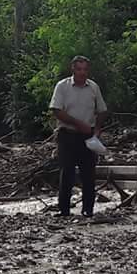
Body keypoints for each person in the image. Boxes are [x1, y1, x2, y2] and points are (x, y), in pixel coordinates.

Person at [50, 55, 109, 218]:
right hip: (67, 135)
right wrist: (77, 123)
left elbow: (102, 110)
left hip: (88, 136)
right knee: (66, 172)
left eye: (85, 69)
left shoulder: (93, 87)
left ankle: (88, 210)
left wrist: (97, 129)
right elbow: (56, 110)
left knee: (88, 174)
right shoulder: (63, 86)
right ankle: (64, 210)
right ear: (73, 70)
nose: (82, 73)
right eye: (79, 69)